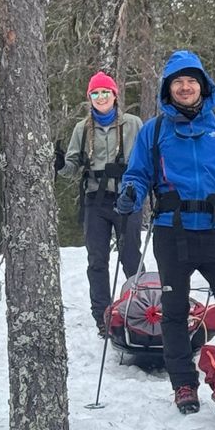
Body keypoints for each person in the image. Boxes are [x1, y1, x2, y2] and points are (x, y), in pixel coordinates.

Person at [117, 50, 215, 414]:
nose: (185, 87)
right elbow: (137, 175)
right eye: (178, 82)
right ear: (168, 89)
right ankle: (184, 384)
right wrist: (130, 194)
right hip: (173, 232)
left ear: (203, 86)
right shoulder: (154, 132)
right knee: (173, 310)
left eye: (191, 81)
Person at [56, 72, 144, 334]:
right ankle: (103, 316)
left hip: (128, 199)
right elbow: (72, 165)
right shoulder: (82, 129)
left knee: (131, 258)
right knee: (97, 260)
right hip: (95, 200)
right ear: (90, 98)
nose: (101, 97)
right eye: (96, 93)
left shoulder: (133, 124)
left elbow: (147, 159)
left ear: (115, 95)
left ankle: (139, 309)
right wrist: (60, 164)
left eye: (106, 92)